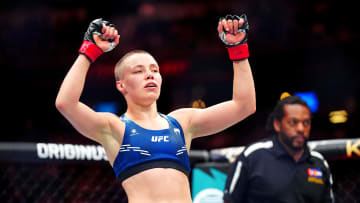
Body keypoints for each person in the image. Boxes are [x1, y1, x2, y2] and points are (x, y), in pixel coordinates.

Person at [55, 14, 256, 203]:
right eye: (138, 71)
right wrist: (89, 51)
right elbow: (66, 103)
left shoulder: (182, 122)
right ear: (121, 85)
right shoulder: (115, 127)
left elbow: (244, 106)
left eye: (154, 70)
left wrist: (237, 48)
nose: (150, 75)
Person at [223, 95, 335, 203]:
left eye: (306, 122)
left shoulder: (319, 163)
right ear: (277, 124)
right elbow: (230, 200)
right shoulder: (253, 156)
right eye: (293, 122)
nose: (301, 128)